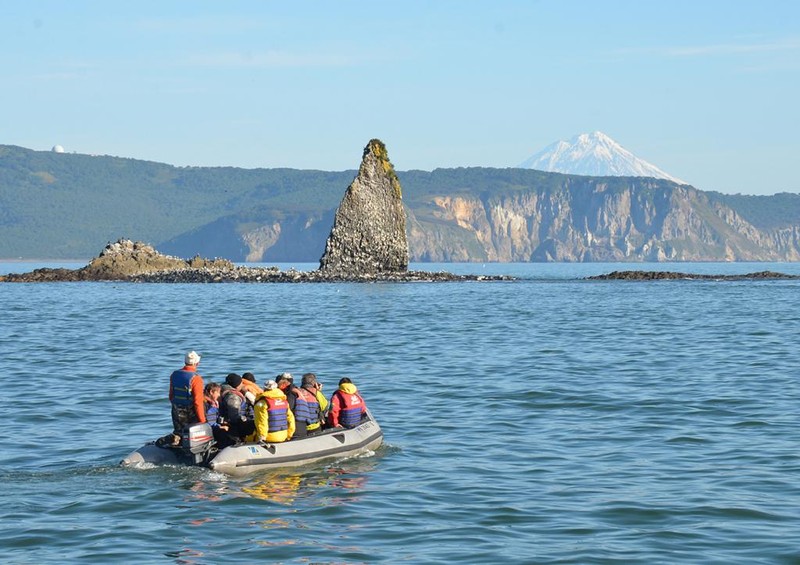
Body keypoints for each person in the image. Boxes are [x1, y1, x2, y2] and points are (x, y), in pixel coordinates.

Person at [168, 350, 206, 445]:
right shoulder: (196, 379)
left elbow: (171, 395)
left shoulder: (174, 374)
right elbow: (198, 402)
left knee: (179, 433)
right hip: (190, 413)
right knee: (191, 436)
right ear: (197, 363)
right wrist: (202, 420)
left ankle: (176, 443)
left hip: (176, 410)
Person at [217, 373, 254, 447]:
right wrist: (246, 419)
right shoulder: (233, 397)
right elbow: (234, 417)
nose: (243, 385)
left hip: (230, 421)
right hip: (233, 425)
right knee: (254, 424)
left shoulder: (225, 390)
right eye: (241, 383)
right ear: (237, 385)